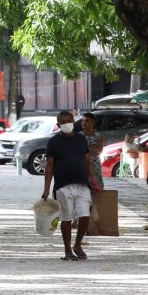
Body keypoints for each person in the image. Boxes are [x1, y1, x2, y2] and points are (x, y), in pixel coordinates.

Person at [41, 110, 98, 261]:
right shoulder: (53, 142)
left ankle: (77, 244)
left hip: (82, 184)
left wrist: (92, 178)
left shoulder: (80, 138)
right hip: (63, 185)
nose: (67, 124)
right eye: (63, 122)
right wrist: (46, 189)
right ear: (58, 125)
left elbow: (87, 160)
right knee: (66, 218)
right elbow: (49, 166)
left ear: (73, 121)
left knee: (84, 215)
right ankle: (67, 250)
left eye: (69, 121)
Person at [80, 112, 105, 189]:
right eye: (83, 121)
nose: (84, 123)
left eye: (87, 121)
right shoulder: (78, 136)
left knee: (96, 187)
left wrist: (83, 148)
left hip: (94, 165)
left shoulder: (98, 136)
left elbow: (98, 151)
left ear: (93, 123)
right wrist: (91, 148)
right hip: (81, 164)